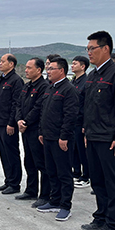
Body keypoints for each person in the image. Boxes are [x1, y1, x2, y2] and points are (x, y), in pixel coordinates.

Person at [80, 31, 115, 230]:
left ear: (106, 49)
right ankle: (100, 217)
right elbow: (89, 107)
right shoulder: (93, 75)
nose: (89, 53)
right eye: (87, 49)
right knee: (98, 181)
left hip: (110, 140)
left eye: (92, 48)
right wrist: (86, 131)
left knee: (113, 182)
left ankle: (112, 224)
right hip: (94, 137)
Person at [37, 57, 79, 221]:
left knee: (64, 173)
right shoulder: (50, 88)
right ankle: (54, 201)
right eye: (47, 69)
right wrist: (41, 131)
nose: (48, 71)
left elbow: (70, 116)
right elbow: (43, 112)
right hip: (48, 137)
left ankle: (65, 205)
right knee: (51, 171)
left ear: (61, 71)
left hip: (61, 139)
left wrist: (64, 136)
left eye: (51, 69)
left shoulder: (69, 90)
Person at [15, 58, 50, 206]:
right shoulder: (27, 85)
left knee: (41, 162)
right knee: (29, 161)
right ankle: (31, 190)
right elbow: (18, 104)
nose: (26, 70)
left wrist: (26, 122)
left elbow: (38, 108)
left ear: (39, 70)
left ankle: (45, 195)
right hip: (25, 129)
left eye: (29, 68)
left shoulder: (44, 86)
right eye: (26, 67)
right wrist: (19, 120)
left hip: (36, 129)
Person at [0, 54, 24, 195]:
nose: (0, 63)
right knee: (3, 153)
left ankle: (15, 183)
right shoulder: (1, 79)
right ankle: (8, 180)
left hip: (8, 124)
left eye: (3, 61)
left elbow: (16, 104)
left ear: (11, 64)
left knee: (11, 153)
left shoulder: (16, 80)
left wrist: (11, 123)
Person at [70, 55, 91, 188]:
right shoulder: (73, 81)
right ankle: (76, 172)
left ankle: (86, 176)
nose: (72, 66)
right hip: (73, 121)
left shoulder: (86, 82)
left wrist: (85, 124)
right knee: (74, 149)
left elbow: (87, 105)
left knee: (83, 151)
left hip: (81, 121)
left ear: (83, 67)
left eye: (75, 64)